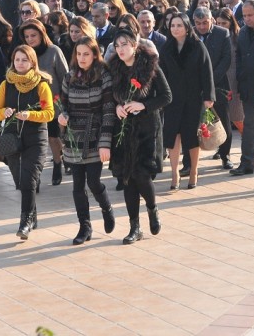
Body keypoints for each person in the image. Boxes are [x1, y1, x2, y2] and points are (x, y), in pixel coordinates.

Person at [105, 28, 172, 244]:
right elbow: (109, 96)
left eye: (125, 44)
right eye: (117, 45)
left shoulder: (150, 66)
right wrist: (117, 107)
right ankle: (134, 227)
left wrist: (143, 105)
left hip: (145, 130)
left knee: (141, 175)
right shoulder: (113, 68)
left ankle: (152, 209)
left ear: (134, 45)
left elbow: (166, 96)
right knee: (127, 179)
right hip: (122, 129)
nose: (121, 49)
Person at [0, 45, 55, 239]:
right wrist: (4, 112)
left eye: (24, 60)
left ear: (32, 63)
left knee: (29, 179)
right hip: (11, 139)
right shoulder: (6, 84)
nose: (20, 63)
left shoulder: (41, 85)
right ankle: (33, 214)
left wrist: (31, 115)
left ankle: (25, 221)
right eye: (17, 60)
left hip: (35, 139)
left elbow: (49, 113)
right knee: (20, 181)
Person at [59, 36, 117, 245]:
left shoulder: (104, 76)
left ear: (94, 54)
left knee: (93, 182)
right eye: (79, 54)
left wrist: (105, 142)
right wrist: (62, 116)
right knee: (77, 185)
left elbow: (109, 110)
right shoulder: (70, 76)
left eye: (86, 54)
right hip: (74, 136)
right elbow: (63, 104)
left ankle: (106, 208)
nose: (82, 58)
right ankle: (85, 226)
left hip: (95, 134)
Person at [160, 12, 215, 190]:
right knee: (172, 135)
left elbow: (207, 72)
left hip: (193, 98)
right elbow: (161, 75)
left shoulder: (197, 46)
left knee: (191, 136)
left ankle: (193, 171)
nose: (175, 29)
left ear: (186, 27)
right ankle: (175, 173)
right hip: (172, 99)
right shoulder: (167, 47)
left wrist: (208, 97)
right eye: (173, 26)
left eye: (179, 25)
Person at [19, 20, 69, 185]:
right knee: (35, 140)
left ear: (42, 34)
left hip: (53, 104)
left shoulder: (54, 51)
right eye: (27, 36)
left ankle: (57, 162)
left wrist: (64, 102)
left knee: (53, 138)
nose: (30, 39)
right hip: (31, 104)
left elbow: (65, 77)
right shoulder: (24, 54)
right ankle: (35, 172)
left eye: (33, 35)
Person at [192, 7, 233, 169]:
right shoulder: (191, 34)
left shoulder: (222, 34)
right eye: (198, 23)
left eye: (205, 23)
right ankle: (191, 161)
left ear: (212, 20)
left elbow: (226, 60)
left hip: (218, 84)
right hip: (195, 86)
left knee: (223, 120)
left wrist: (209, 81)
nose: (201, 26)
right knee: (193, 123)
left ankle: (225, 155)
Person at [232, 0, 254, 176]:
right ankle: (246, 163)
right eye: (244, 16)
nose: (246, 19)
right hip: (248, 87)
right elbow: (238, 56)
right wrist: (240, 77)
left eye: (250, 15)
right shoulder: (244, 32)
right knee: (250, 126)